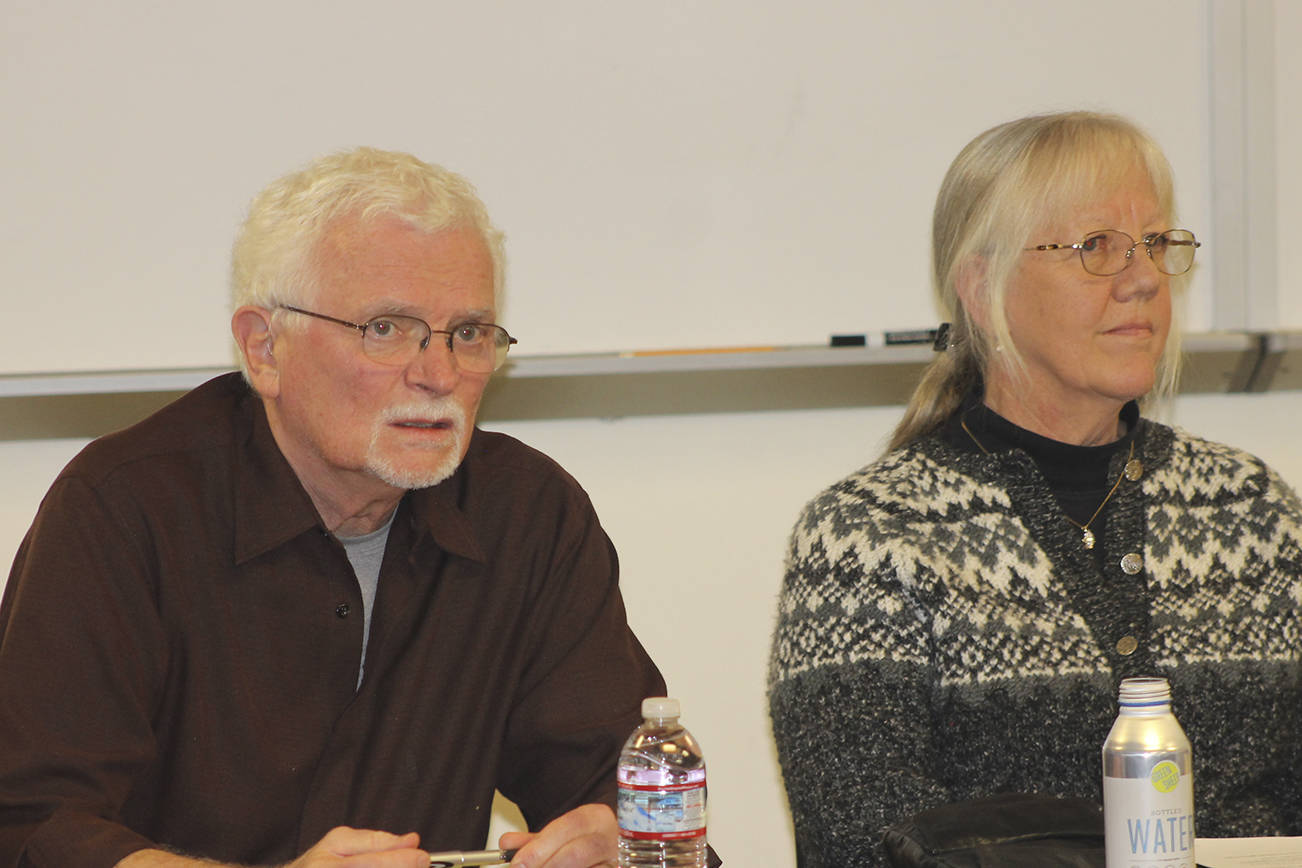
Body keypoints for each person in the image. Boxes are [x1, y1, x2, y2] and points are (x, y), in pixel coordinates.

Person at [0, 147, 665, 868]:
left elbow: (618, 776)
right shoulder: (124, 511)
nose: (438, 373)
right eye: (385, 328)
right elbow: (33, 826)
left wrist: (621, 837)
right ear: (264, 349)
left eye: (469, 334)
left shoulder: (527, 515)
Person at [767, 111, 1302, 866]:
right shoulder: (871, 537)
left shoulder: (1252, 510)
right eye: (1096, 248)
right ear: (984, 289)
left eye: (1155, 243)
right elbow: (860, 847)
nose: (1145, 277)